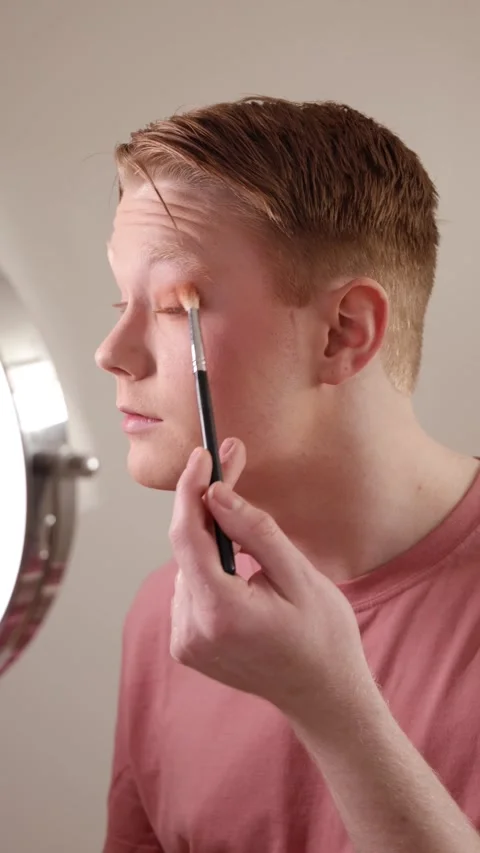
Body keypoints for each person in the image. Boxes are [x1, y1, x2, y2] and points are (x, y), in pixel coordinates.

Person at [96, 97, 480, 853]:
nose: (112, 352)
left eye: (174, 307)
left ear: (343, 333)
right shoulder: (179, 619)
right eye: (119, 300)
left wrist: (331, 707)